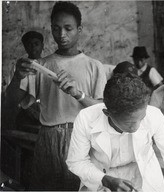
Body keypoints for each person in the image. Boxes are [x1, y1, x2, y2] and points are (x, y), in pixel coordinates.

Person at [4, 1, 107, 190]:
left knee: (80, 188)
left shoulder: (94, 66)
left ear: (79, 29)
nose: (61, 35)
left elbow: (101, 111)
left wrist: (78, 94)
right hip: (47, 138)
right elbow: (9, 102)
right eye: (56, 29)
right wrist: (17, 77)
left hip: (80, 137)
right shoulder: (41, 65)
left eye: (68, 28)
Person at [66, 73, 164, 192]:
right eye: (129, 123)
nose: (137, 127)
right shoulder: (86, 118)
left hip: (143, 174)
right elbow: (76, 162)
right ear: (108, 114)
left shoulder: (153, 115)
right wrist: (104, 179)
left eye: (142, 118)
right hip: (100, 175)